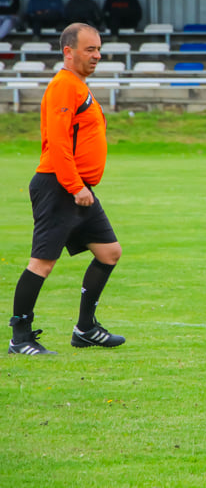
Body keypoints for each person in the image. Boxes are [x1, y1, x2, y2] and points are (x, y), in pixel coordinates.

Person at [8, 23, 125, 355]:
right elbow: (58, 143)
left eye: (99, 49)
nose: (97, 55)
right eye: (90, 49)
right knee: (42, 262)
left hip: (78, 187)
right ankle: (20, 337)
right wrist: (74, 186)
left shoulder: (79, 86)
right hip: (60, 185)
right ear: (68, 52)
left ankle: (85, 329)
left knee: (109, 252)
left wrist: (80, 186)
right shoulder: (63, 86)